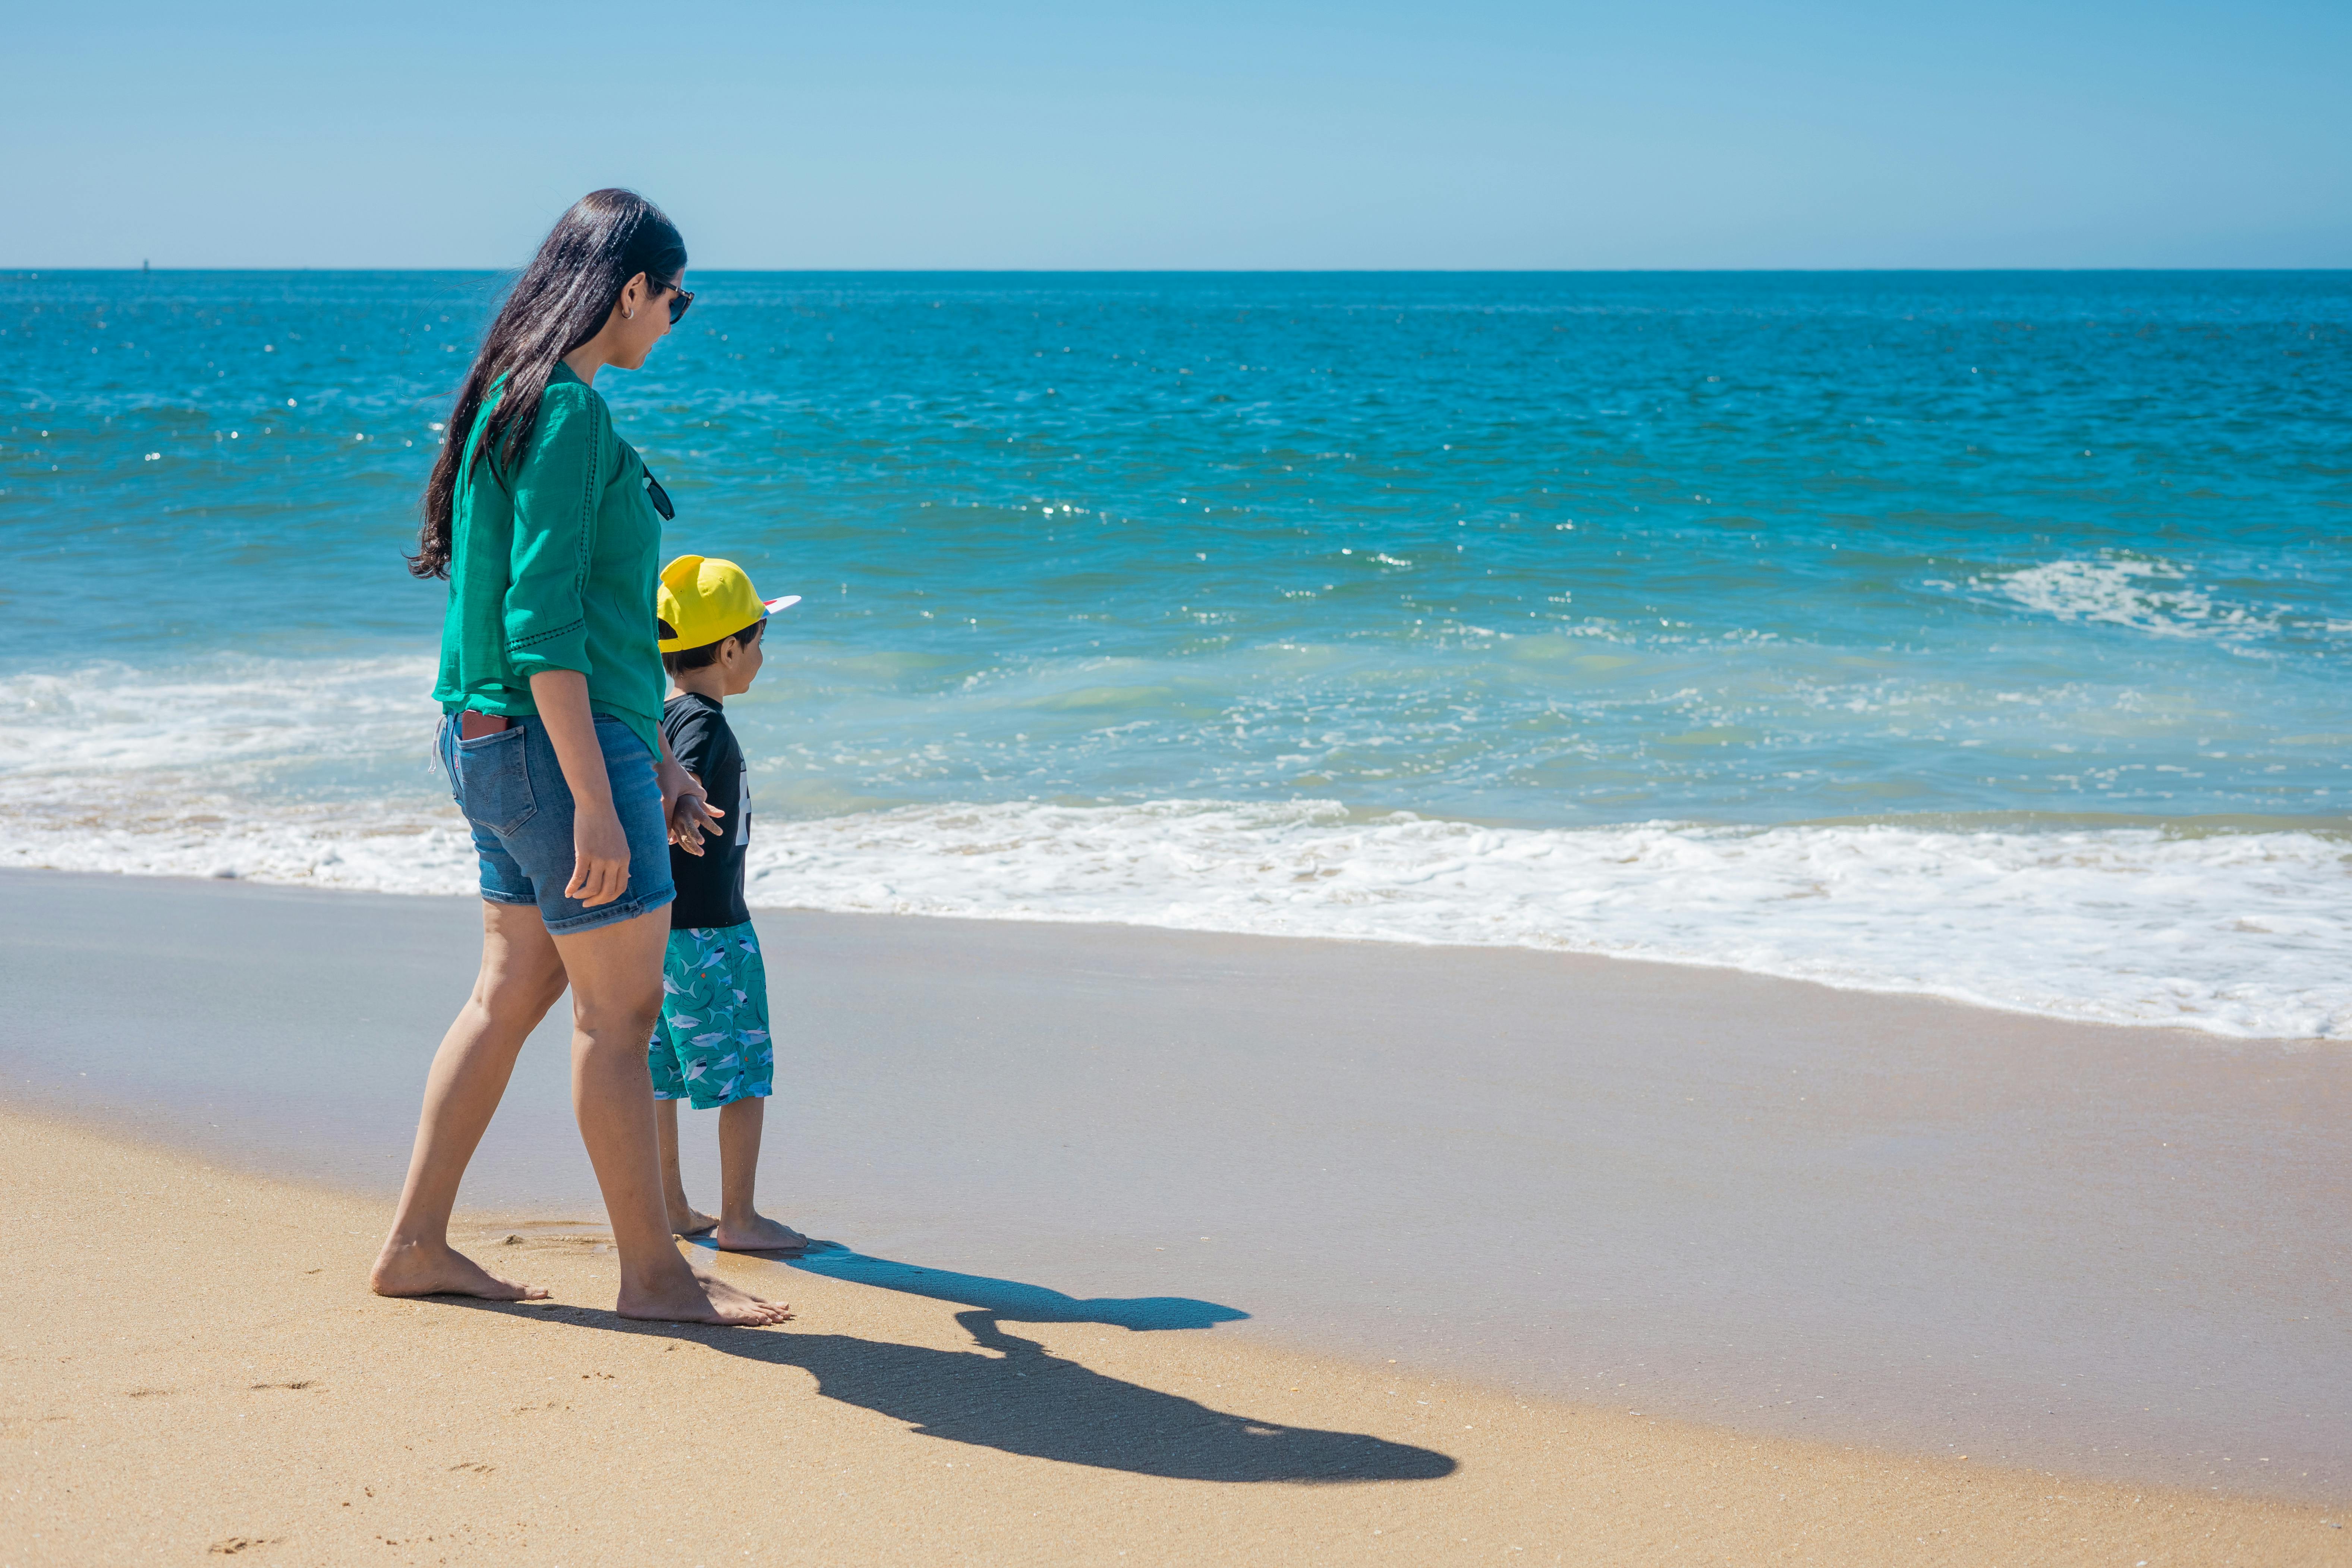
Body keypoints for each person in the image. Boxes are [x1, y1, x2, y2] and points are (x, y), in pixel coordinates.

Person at [372, 189, 790, 1327]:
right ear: (629, 291)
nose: (676, 318)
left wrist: (652, 752)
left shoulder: (512, 403)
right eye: (676, 296)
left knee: (508, 992)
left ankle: (415, 1242)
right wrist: (602, 799)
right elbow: (542, 624)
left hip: (488, 737)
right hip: (553, 750)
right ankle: (654, 1274)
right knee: (621, 1015)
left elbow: (581, 628)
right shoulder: (564, 414)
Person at [647, 555, 811, 1252]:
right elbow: (665, 790)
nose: (762, 656)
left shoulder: (662, 715)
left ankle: (671, 1206)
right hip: (712, 933)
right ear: (728, 649)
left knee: (662, 1075)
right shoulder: (702, 727)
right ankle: (739, 1217)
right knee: (740, 1073)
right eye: (759, 640)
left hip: (659, 933)